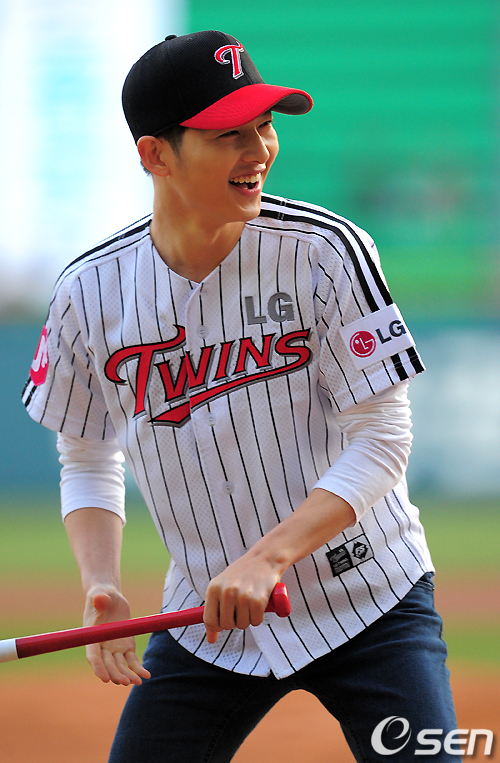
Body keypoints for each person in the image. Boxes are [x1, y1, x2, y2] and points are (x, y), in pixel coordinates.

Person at [22, 30, 459, 763]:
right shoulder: (87, 294)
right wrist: (102, 583)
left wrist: (267, 558)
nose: (259, 150)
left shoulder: (327, 252)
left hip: (371, 599)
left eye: (264, 126)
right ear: (155, 155)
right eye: (229, 134)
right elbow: (88, 456)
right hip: (208, 623)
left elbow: (382, 437)